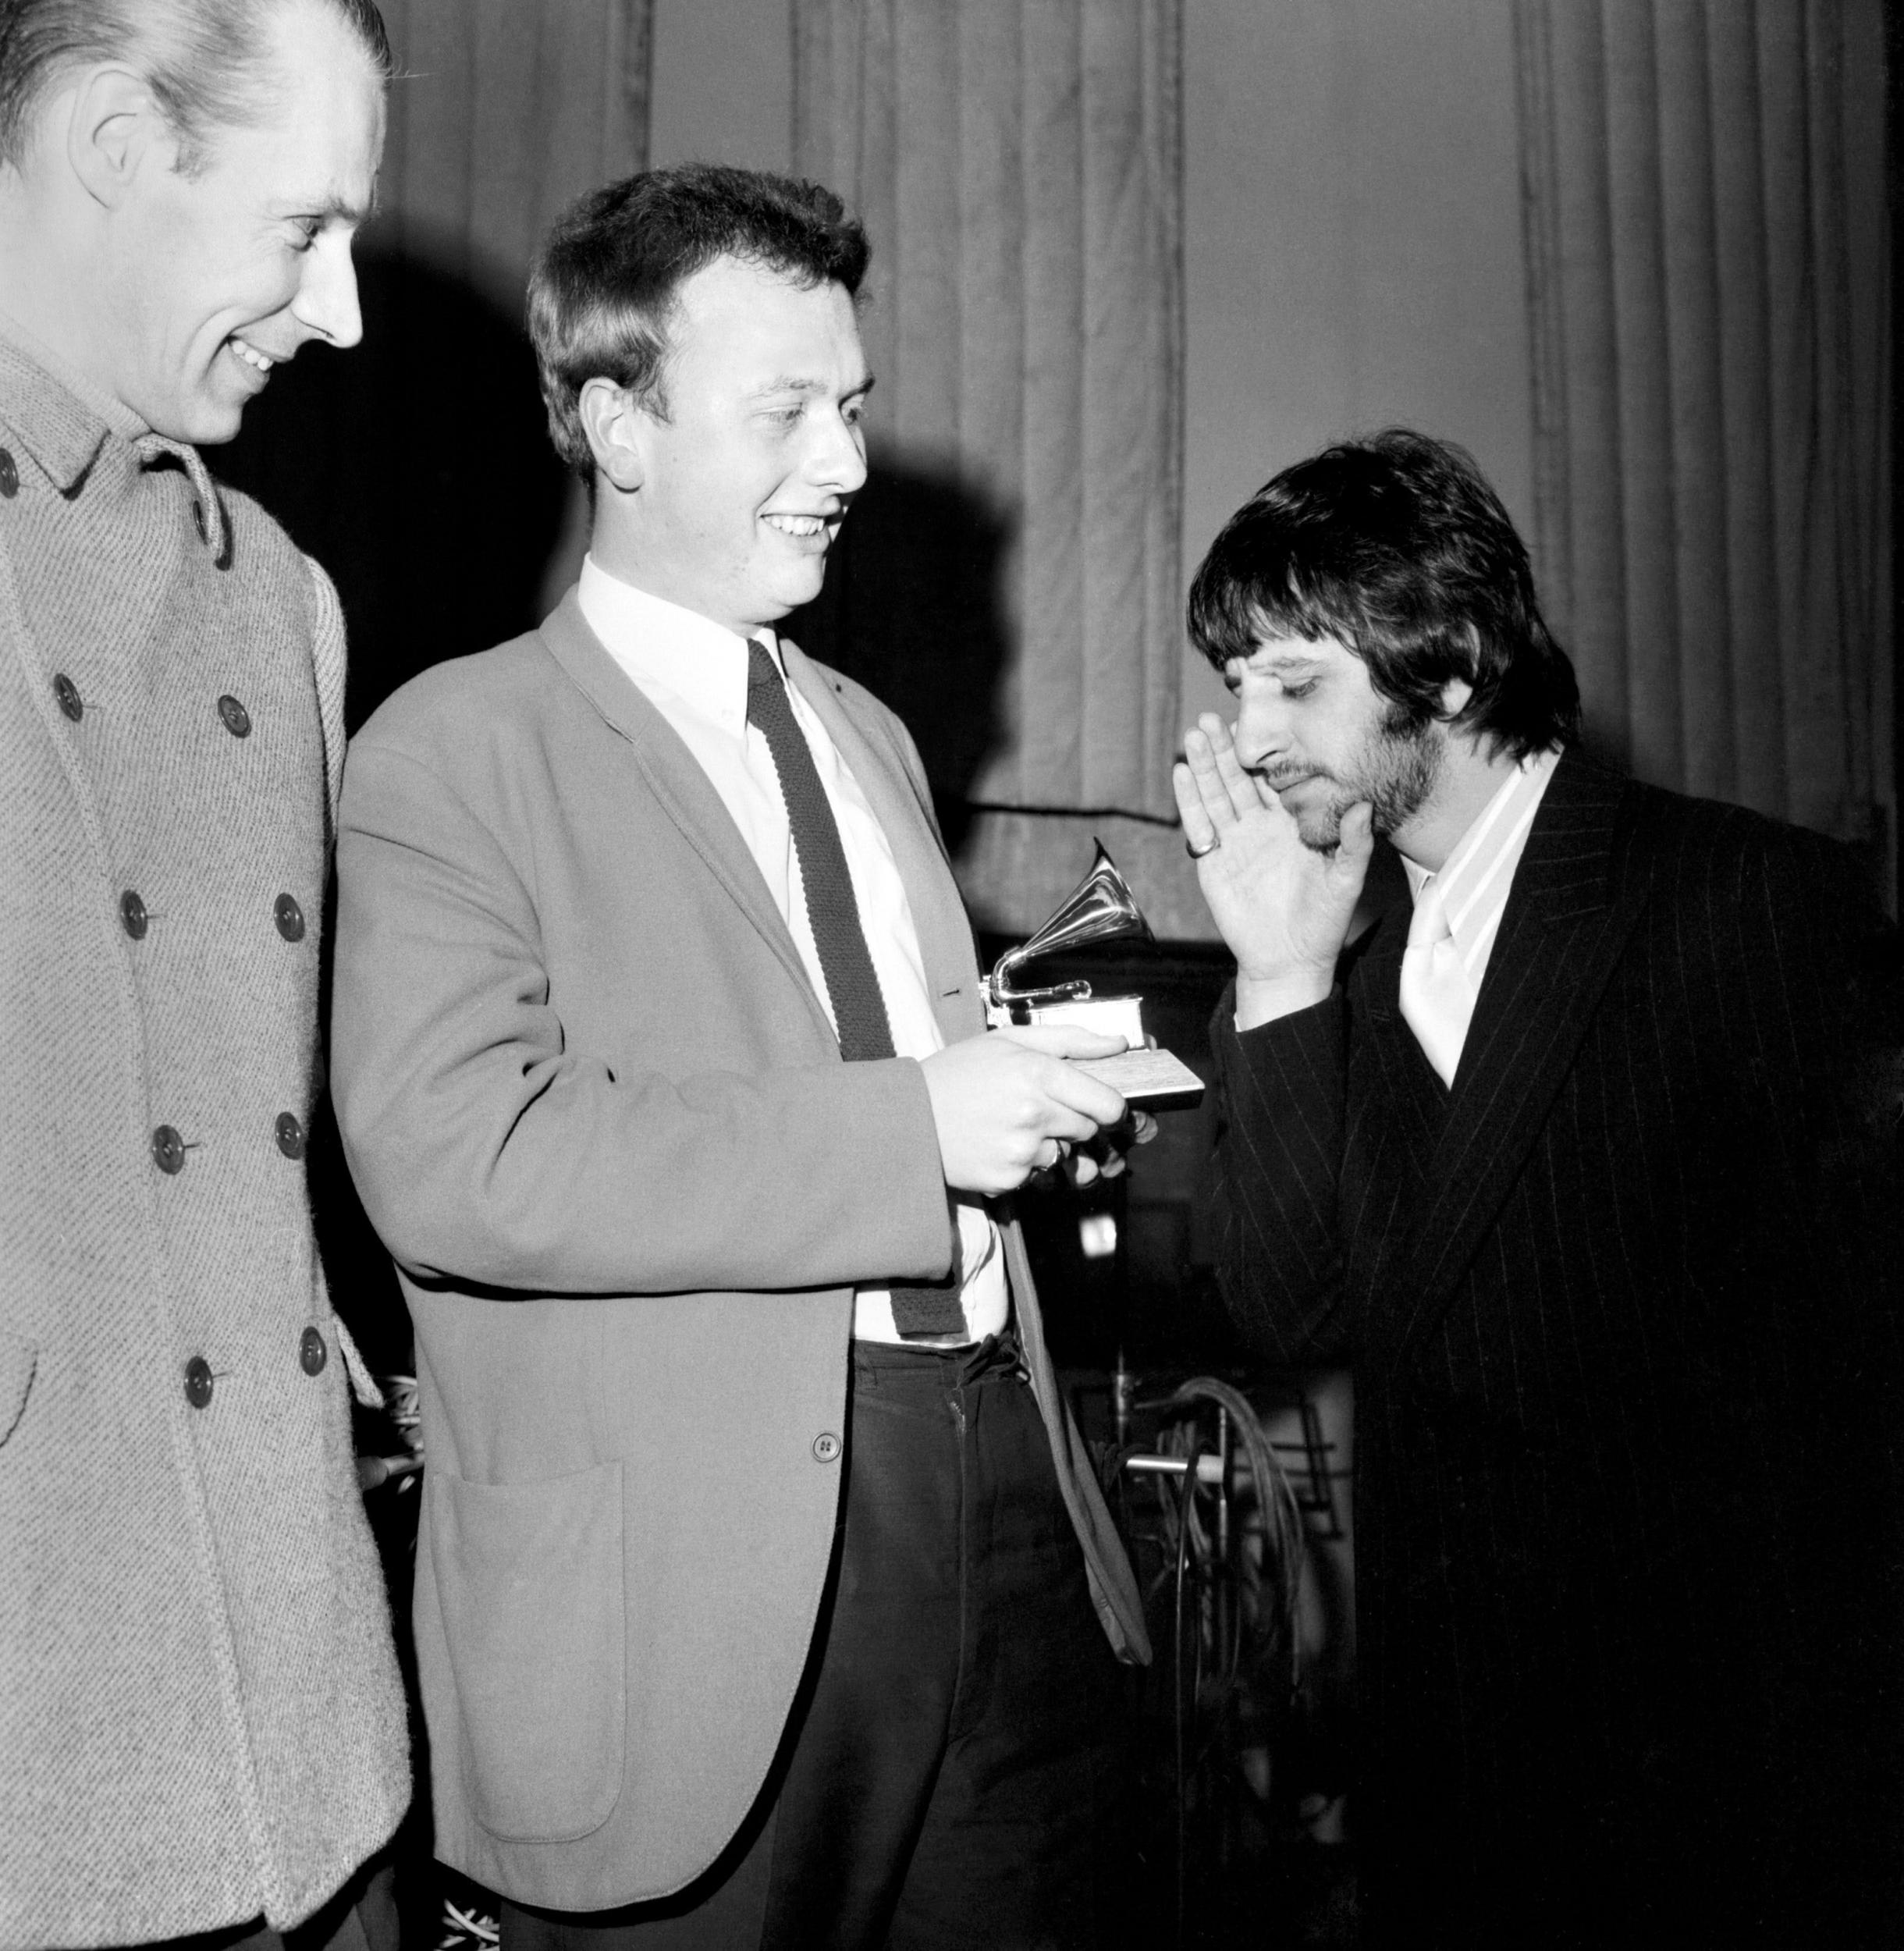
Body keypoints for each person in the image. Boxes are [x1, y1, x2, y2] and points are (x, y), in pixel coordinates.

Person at [329, 162, 1149, 1951]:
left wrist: (1022, 1127)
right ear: (615, 428)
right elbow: (464, 1161)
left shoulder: (866, 733)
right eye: (783, 409)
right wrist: (911, 1128)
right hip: (697, 1601)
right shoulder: (449, 750)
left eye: (849, 404)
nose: (845, 461)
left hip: (1002, 1514)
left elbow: (891, 1082)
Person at [1173, 428, 1902, 1946]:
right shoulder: (1335, 959)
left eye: (1292, 683)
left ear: (1448, 667)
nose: (1245, 737)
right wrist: (1282, 974)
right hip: (1449, 1791)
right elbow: (1282, 1299)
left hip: (1721, 1797)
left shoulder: (1739, 902)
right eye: (1235, 687)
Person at [0, 3, 409, 1950]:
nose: (338, 312)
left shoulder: (285, 597)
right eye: (300, 227)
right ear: (105, 143)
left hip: (313, 1742)